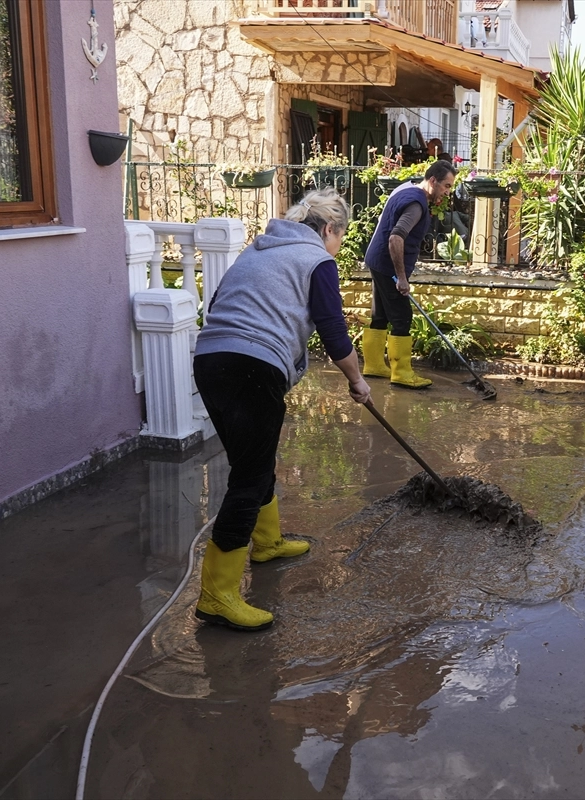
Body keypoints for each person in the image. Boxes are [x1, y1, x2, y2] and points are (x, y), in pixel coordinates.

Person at [193, 188, 370, 632]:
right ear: (329, 229)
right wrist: (358, 380)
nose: (337, 248)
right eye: (339, 238)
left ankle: (267, 542)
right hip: (251, 366)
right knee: (249, 478)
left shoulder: (261, 249)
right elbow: (333, 331)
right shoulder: (316, 260)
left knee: (252, 460)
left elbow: (217, 304)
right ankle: (217, 595)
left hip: (212, 360)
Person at [361, 159, 458, 389]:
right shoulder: (416, 204)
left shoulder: (406, 187)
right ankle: (402, 373)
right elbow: (396, 237)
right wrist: (402, 278)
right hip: (387, 265)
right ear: (432, 181)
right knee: (402, 317)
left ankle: (374, 366)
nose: (448, 191)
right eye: (446, 185)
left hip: (376, 259)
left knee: (381, 315)